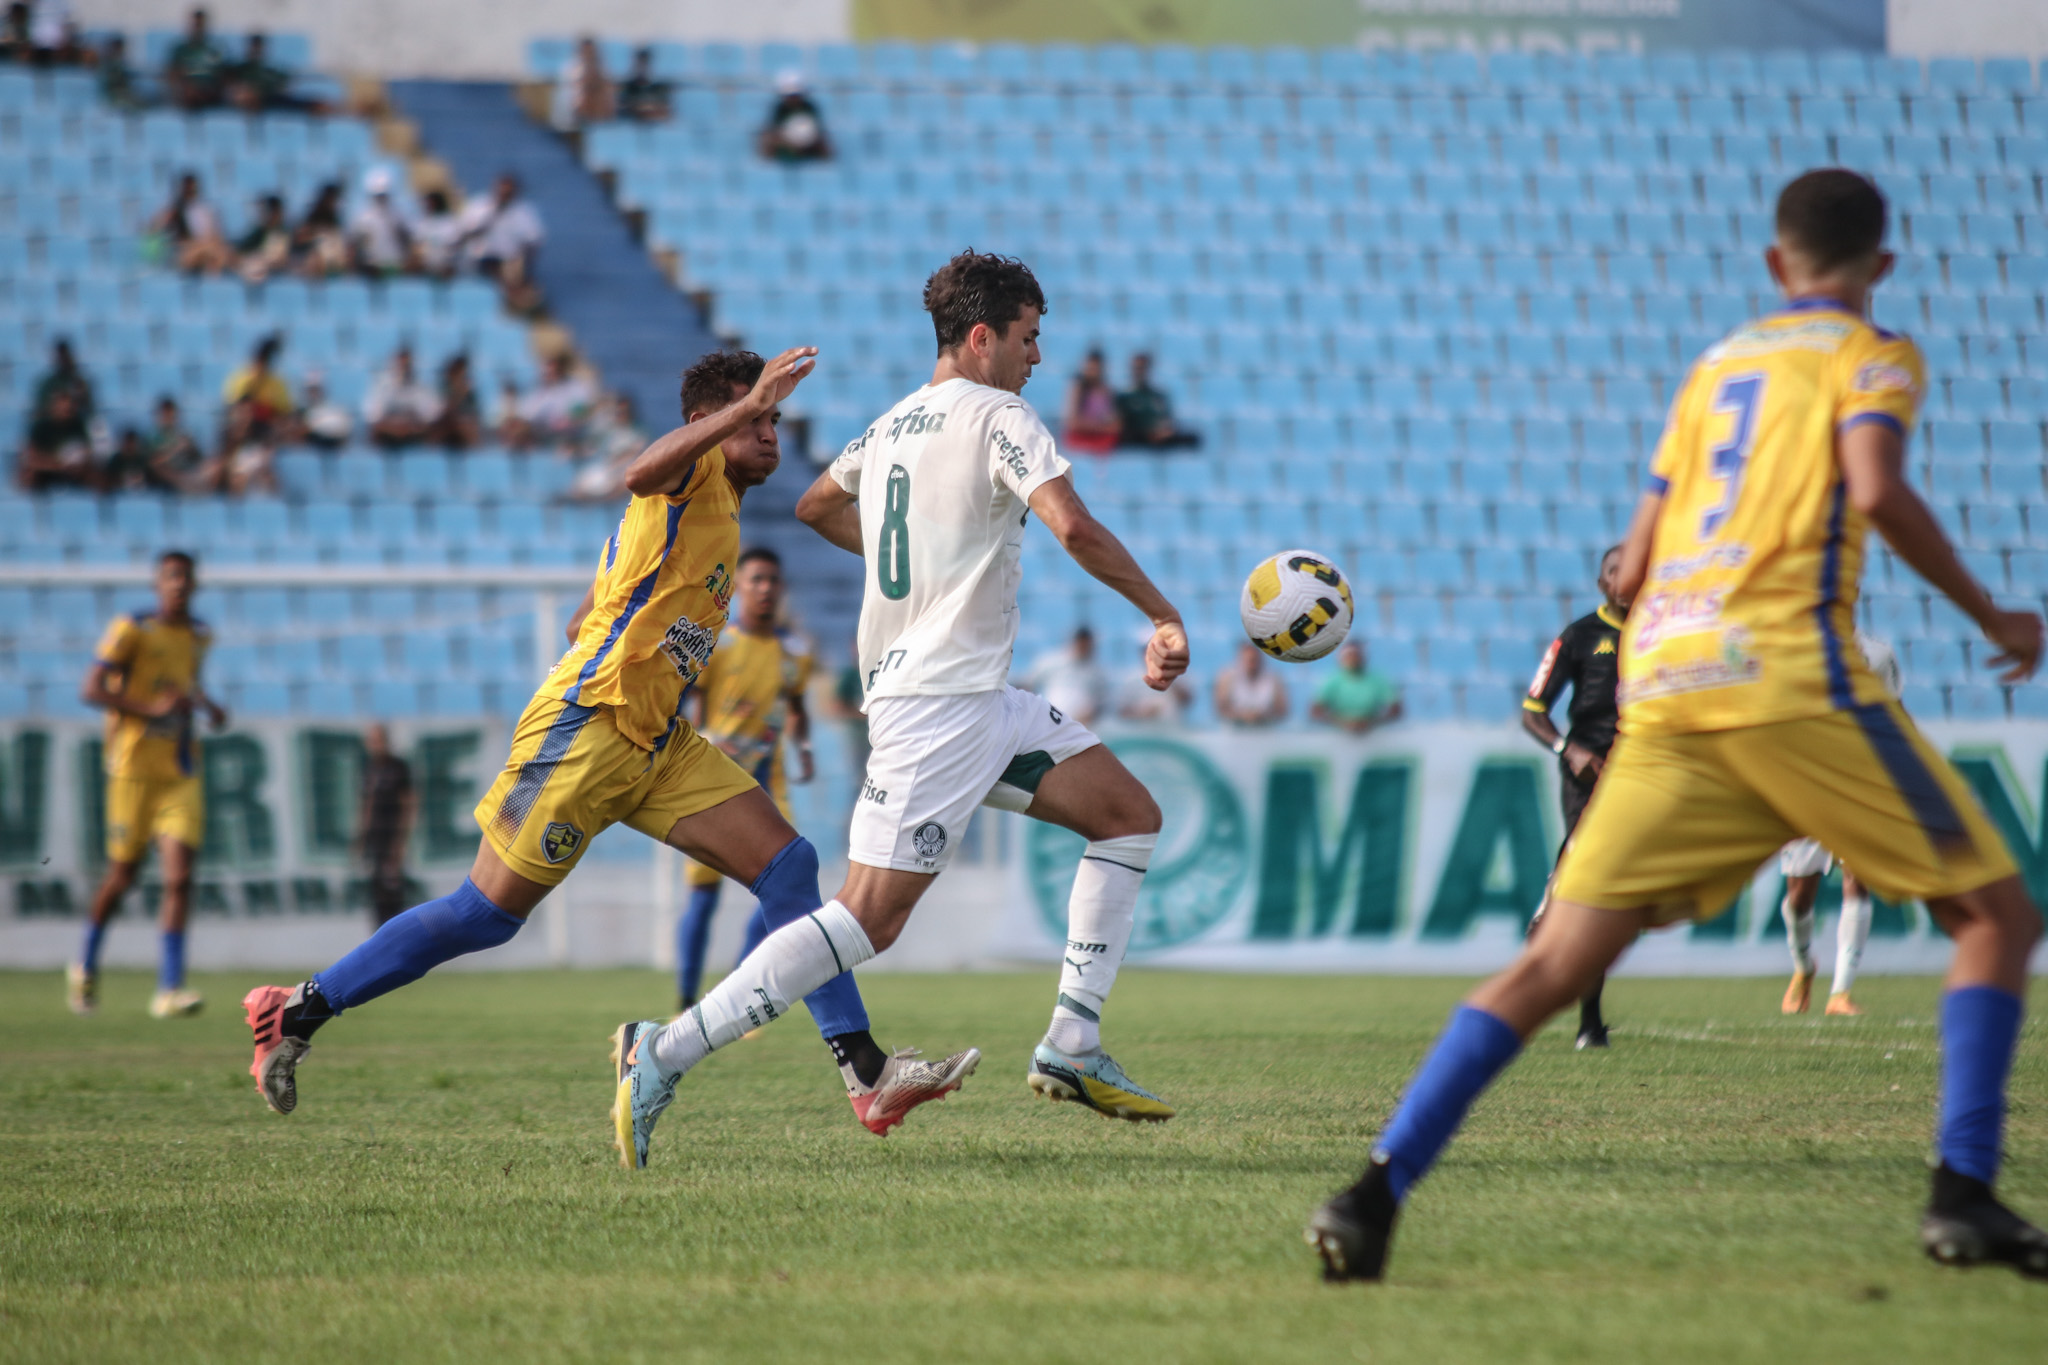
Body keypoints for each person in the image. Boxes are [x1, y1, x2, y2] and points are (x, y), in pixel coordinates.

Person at [1306, 169, 2048, 1284]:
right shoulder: (1871, 354)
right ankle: (1962, 1192)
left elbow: (1640, 551)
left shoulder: (1714, 367)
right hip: (1791, 675)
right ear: (1880, 267)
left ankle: (1370, 1193)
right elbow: (1875, 487)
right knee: (1994, 914)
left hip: (1668, 683)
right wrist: (1993, 614)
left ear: (1770, 265)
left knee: (1551, 961)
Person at [242, 348, 956, 1149]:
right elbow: (639, 471)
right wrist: (738, 407)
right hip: (589, 725)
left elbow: (594, 607)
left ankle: (864, 1072)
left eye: (773, 418)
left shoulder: (715, 504)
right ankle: (297, 1007)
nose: (769, 431)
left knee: (787, 865)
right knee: (484, 914)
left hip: (656, 739)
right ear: (704, 425)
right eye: (753, 415)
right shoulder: (686, 477)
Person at [612, 250, 1192, 1169]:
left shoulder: (889, 425)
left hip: (975, 700)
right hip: (937, 707)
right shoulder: (1002, 415)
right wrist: (1161, 614)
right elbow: (1072, 525)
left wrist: (923, 558)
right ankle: (664, 1049)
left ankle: (1072, 1043)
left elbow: (812, 505)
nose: (1037, 357)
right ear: (982, 336)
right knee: (867, 920)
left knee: (1127, 815)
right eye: (1030, 337)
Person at [67, 551, 228, 1018]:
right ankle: (85, 962)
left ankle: (169, 988)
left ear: (194, 585)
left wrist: (207, 708)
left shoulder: (199, 635)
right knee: (123, 876)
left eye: (185, 578)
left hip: (178, 773)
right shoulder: (131, 629)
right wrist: (149, 709)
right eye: (171, 577)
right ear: (158, 583)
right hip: (132, 770)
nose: (179, 585)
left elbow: (186, 687)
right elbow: (91, 688)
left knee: (179, 877)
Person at [674, 547, 815, 1009]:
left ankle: (734, 991)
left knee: (786, 884)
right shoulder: (719, 647)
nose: (766, 588)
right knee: (703, 896)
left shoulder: (795, 654)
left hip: (768, 784)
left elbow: (795, 705)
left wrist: (804, 747)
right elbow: (684, 698)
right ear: (738, 588)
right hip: (714, 786)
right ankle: (684, 1000)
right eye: (756, 579)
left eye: (773, 580)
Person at [1518, 546, 1625, 1050]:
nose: (1626, 578)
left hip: (1648, 775)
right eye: (1614, 571)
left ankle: (1588, 1017)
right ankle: (1589, 1022)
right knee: (1591, 886)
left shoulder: (1666, 636)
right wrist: (1569, 748)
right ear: (1601, 583)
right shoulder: (1580, 637)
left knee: (1613, 895)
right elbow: (1533, 712)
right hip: (1589, 778)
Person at [1779, 632, 1904, 1018]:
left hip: (1859, 778)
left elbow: (1895, 711)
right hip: (1806, 780)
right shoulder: (1789, 647)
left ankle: (1841, 993)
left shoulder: (1878, 654)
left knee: (1858, 876)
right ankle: (1804, 968)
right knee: (1800, 895)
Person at [456, 174, 544, 314]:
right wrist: (493, 212)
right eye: (502, 191)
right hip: (479, 257)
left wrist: (524, 261)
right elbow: (465, 231)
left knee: (514, 270)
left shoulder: (523, 211)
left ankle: (517, 302)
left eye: (508, 193)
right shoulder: (479, 205)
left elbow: (533, 239)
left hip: (508, 259)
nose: (504, 195)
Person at [218, 334, 292, 495]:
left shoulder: (277, 384)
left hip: (262, 434)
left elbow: (284, 415)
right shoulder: (240, 379)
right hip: (239, 438)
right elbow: (233, 410)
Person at [357, 724, 415, 927]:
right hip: (375, 841)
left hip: (392, 839)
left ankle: (396, 935)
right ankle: (380, 936)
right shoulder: (370, 768)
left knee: (393, 892)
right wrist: (361, 838)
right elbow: (366, 806)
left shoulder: (397, 767)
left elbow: (408, 803)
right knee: (377, 893)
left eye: (377, 740)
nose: (374, 745)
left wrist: (400, 841)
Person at [1020, 625, 1109, 726]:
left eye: (1088, 645)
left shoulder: (1097, 672)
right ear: (1075, 642)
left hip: (1083, 726)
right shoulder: (1051, 661)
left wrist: (1091, 714)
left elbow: (1102, 703)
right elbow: (1027, 685)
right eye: (1082, 644)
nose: (1085, 648)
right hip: (1049, 722)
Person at [1312, 641, 1403, 734]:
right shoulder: (1332, 681)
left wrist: (1371, 722)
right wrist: (1341, 723)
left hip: (1373, 732)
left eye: (1356, 655)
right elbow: (1316, 711)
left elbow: (1396, 709)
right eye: (1349, 655)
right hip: (1338, 734)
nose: (1353, 659)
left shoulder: (1377, 680)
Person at [507, 352, 594, 449]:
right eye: (546, 371)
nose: (548, 374)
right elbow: (526, 416)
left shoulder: (576, 387)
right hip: (544, 436)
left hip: (572, 435)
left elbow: (582, 411)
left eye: (552, 370)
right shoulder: (537, 393)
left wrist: (569, 420)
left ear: (560, 370)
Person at [150, 172, 232, 274]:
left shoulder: (205, 210)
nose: (190, 191)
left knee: (215, 253)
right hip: (184, 253)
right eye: (187, 189)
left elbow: (217, 234)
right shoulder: (174, 210)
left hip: (205, 249)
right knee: (213, 251)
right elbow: (154, 229)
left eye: (192, 188)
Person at [1114, 353, 1200, 450]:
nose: (1139, 372)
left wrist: (1165, 431)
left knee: (1193, 437)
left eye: (1143, 368)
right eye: (1137, 368)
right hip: (1138, 437)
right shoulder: (1124, 397)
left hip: (1159, 437)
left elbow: (1168, 421)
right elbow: (1121, 423)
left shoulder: (1158, 396)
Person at [17, 386, 96, 490]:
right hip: (47, 471)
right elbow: (32, 457)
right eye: (62, 408)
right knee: (29, 474)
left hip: (73, 471)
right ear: (53, 407)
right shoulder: (41, 426)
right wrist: (58, 465)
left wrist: (77, 463)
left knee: (95, 475)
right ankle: (28, 504)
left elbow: (87, 451)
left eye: (69, 409)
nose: (66, 411)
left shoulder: (78, 425)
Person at [363, 345, 443, 448]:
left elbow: (431, 415)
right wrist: (394, 427)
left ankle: (426, 460)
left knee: (435, 430)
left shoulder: (420, 386)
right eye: (401, 364)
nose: (404, 368)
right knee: (374, 430)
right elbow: (372, 416)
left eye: (407, 365)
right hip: (388, 431)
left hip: (413, 431)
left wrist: (410, 426)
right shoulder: (381, 385)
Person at [349, 168, 413, 276]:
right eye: (378, 196)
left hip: (395, 264)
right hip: (372, 266)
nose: (381, 199)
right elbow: (354, 242)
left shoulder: (397, 216)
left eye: (383, 195)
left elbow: (407, 238)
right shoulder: (363, 218)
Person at [757, 70, 832, 163]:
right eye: (789, 96)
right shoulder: (779, 109)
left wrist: (804, 139)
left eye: (795, 95)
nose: (792, 99)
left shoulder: (809, 108)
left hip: (808, 148)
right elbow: (774, 131)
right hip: (784, 148)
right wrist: (787, 139)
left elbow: (816, 132)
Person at [1115, 635, 1192, 724]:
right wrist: (1141, 713)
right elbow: (1121, 711)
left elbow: (1187, 701)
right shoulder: (1132, 680)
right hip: (1141, 732)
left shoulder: (1178, 675)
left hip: (1170, 731)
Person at [162, 6, 225, 110]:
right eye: (196, 25)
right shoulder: (180, 50)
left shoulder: (216, 49)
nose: (198, 29)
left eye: (201, 25)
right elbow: (172, 75)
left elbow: (223, 75)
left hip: (211, 93)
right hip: (187, 94)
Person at [1061, 349, 1120, 455]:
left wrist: (1101, 427)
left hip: (1101, 438)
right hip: (1081, 437)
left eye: (1097, 368)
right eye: (1091, 368)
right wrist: (1096, 426)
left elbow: (1114, 425)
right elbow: (1072, 423)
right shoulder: (1077, 389)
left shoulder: (1106, 391)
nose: (1094, 372)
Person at [1214, 641, 1288, 726]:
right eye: (1249, 660)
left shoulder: (1274, 678)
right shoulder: (1227, 677)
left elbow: (1282, 710)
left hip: (1266, 729)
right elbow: (1220, 709)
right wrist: (1242, 716)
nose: (1252, 664)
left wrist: (1261, 716)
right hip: (1234, 730)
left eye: (1255, 660)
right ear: (1241, 659)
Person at [145, 395, 210, 489]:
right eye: (165, 414)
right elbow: (152, 462)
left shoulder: (183, 434)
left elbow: (198, 459)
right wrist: (176, 449)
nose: (168, 417)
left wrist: (190, 448)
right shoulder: (152, 437)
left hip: (185, 471)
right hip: (162, 477)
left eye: (170, 413)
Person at [552, 35, 614, 131]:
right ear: (580, 51)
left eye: (591, 51)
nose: (589, 54)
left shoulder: (603, 67)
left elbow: (607, 86)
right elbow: (571, 88)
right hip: (575, 106)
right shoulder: (570, 67)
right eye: (586, 51)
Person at [292, 181, 350, 278]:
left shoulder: (335, 220)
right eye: (333, 199)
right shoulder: (313, 218)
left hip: (333, 260)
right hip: (313, 261)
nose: (335, 203)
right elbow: (299, 240)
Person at [233, 193, 293, 283]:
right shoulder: (260, 231)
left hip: (272, 270)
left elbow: (281, 259)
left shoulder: (285, 233)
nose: (262, 215)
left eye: (266, 211)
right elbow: (241, 248)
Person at [432, 354, 483, 450]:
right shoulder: (443, 387)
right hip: (445, 421)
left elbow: (474, 411)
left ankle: (476, 458)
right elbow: (442, 410)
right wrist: (460, 394)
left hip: (463, 422)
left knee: (470, 429)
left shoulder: (469, 391)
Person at [411, 188, 462, 278]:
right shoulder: (423, 224)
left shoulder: (449, 222)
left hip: (445, 267)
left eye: (429, 202)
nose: (426, 205)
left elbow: (453, 247)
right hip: (426, 268)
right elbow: (418, 246)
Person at [297, 371, 354, 450]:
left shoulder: (335, 409)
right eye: (311, 390)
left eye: (316, 390)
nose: (313, 394)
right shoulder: (300, 411)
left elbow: (344, 430)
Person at [618, 46, 672, 123]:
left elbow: (665, 111)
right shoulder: (627, 88)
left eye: (645, 63)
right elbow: (623, 109)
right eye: (639, 64)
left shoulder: (660, 89)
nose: (642, 68)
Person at [98, 33, 144, 109]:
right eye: (120, 48)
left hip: (121, 92)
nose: (122, 51)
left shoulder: (117, 62)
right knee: (136, 103)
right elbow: (112, 81)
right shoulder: (109, 63)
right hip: (114, 95)